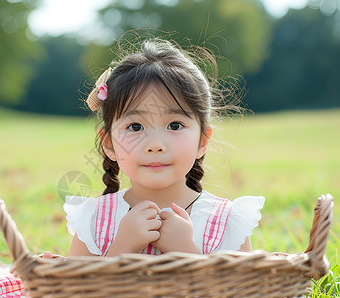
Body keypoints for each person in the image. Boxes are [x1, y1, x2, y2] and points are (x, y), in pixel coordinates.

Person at [63, 38, 264, 257]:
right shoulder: (94, 220)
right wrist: (120, 248)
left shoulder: (226, 222)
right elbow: (78, 288)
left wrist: (188, 253)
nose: (155, 145)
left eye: (175, 125)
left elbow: (238, 290)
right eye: (135, 126)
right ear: (109, 144)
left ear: (202, 141)